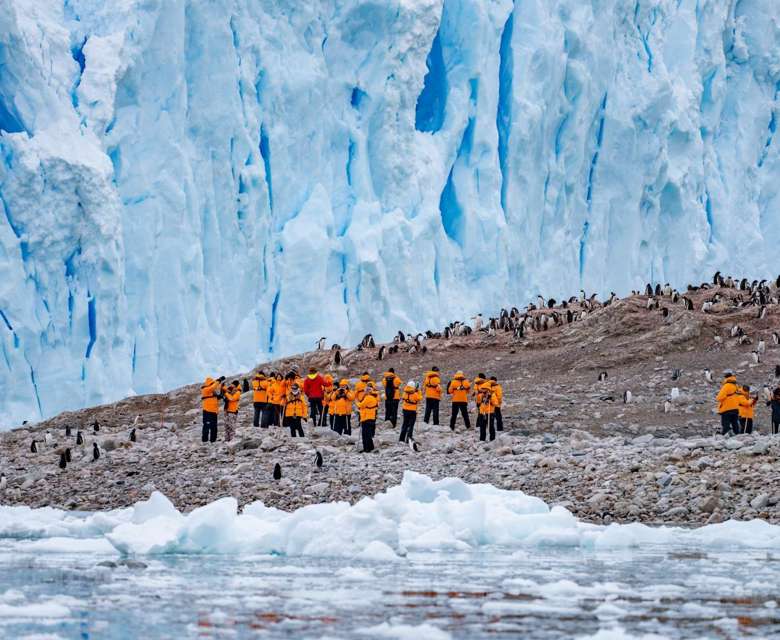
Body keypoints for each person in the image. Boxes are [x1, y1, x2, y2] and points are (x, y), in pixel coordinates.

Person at [716, 371, 741, 436]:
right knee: (734, 422)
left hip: (727, 408)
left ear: (726, 378)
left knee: (725, 423)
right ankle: (737, 435)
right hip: (735, 407)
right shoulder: (736, 385)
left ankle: (725, 435)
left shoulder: (726, 386)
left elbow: (719, 397)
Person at [358, 381, 380, 452]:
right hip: (371, 417)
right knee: (369, 434)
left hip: (366, 417)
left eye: (366, 391)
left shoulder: (368, 398)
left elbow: (361, 405)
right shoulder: (373, 397)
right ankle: (370, 447)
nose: (365, 392)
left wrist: (356, 402)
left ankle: (366, 448)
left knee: (365, 434)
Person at [201, 376, 223, 443]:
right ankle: (205, 441)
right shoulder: (205, 389)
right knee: (207, 426)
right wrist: (219, 380)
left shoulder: (212, 391)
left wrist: (221, 394)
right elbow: (213, 387)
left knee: (214, 427)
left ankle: (213, 441)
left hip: (214, 412)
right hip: (207, 411)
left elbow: (215, 398)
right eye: (212, 383)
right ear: (209, 383)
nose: (213, 385)